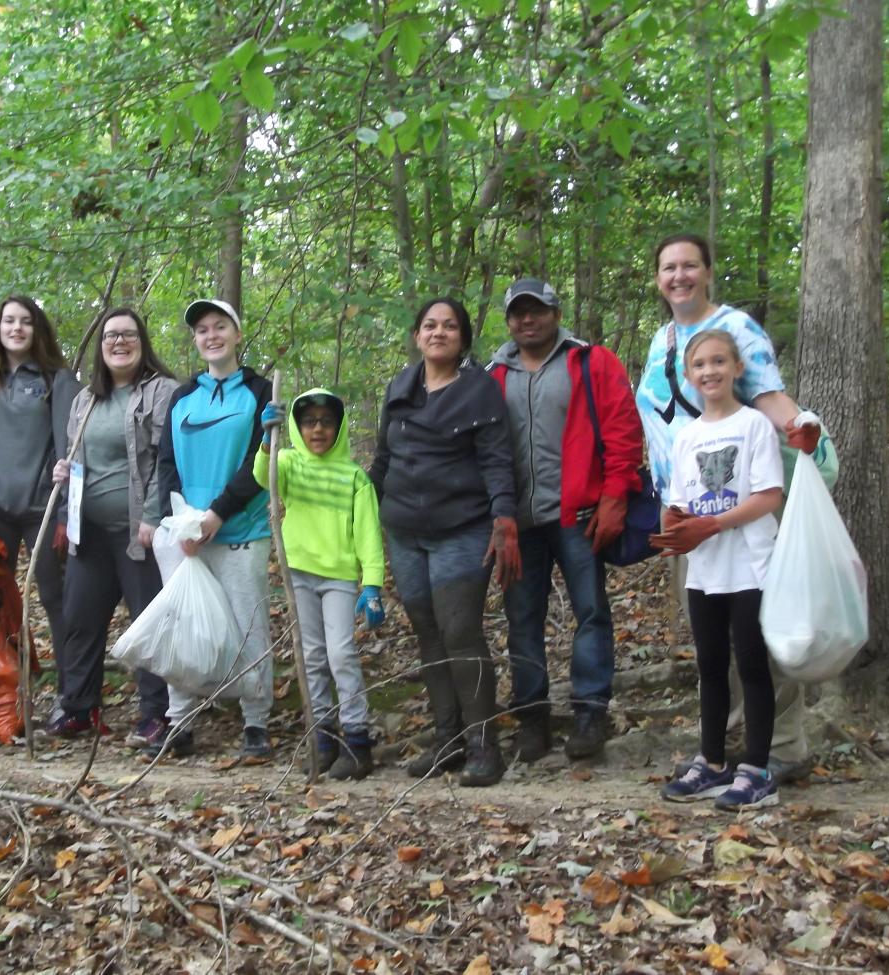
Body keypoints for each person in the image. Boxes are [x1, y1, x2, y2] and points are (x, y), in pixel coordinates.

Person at [634, 232, 825, 784]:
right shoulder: (662, 341)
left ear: (708, 271)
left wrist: (804, 432)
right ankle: (725, 750)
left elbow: (769, 400)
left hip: (741, 506)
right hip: (685, 511)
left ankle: (781, 748)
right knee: (714, 643)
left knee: (757, 634)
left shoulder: (736, 328)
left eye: (689, 265)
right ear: (657, 278)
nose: (679, 276)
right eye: (668, 267)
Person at [487, 278, 644, 763]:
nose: (527, 320)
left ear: (556, 313)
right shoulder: (492, 374)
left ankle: (590, 713)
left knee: (591, 612)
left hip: (579, 515)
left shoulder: (591, 361)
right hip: (518, 521)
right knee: (522, 619)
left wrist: (616, 494)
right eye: (518, 313)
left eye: (536, 311)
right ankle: (532, 719)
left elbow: (622, 429)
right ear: (509, 320)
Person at [369, 297, 521, 788]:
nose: (439, 333)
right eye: (430, 325)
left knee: (460, 631)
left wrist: (503, 518)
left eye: (450, 326)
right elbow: (383, 459)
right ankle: (448, 739)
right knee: (429, 634)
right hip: (404, 533)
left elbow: (497, 460)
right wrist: (361, 512)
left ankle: (483, 745)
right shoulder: (400, 387)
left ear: (463, 338)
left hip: (463, 528)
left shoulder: (480, 392)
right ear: (417, 335)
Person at [652, 329, 785, 810]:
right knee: (710, 665)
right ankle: (711, 763)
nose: (709, 372)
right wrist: (674, 529)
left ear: (736, 368)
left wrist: (712, 525)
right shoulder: (686, 436)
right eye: (700, 365)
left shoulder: (753, 426)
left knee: (751, 663)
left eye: (718, 362)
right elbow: (679, 502)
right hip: (705, 569)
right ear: (688, 376)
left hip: (750, 563)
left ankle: (757, 769)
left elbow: (769, 496)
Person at [144, 298, 275, 760]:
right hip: (187, 533)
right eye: (202, 330)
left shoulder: (260, 392)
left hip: (241, 528)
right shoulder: (183, 398)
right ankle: (180, 723)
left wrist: (216, 515)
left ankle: (256, 723)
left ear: (238, 335)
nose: (211, 335)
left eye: (221, 327)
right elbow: (166, 464)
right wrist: (180, 520)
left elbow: (259, 461)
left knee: (247, 623)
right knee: (185, 626)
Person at [48, 308, 178, 740]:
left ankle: (157, 714)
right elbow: (79, 457)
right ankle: (79, 708)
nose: (118, 343)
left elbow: (165, 459)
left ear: (142, 343)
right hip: (90, 533)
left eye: (128, 335)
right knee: (80, 619)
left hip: (137, 532)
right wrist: (65, 476)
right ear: (100, 348)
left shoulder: (162, 392)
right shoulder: (86, 400)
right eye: (110, 337)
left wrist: (152, 517)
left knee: (146, 621)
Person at [255, 388, 386, 780]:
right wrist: (266, 438)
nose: (317, 429)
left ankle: (357, 741)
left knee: (341, 654)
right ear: (297, 426)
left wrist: (373, 585)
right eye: (309, 421)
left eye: (326, 422)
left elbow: (368, 534)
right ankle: (322, 738)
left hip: (340, 577)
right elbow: (264, 477)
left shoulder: (354, 477)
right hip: (299, 573)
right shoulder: (289, 463)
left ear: (338, 427)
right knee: (310, 656)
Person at [0, 295, 78, 681]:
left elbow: (71, 449)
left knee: (57, 598)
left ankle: (72, 695)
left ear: (37, 329)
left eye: (25, 321)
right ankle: (2, 693)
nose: (16, 328)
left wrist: (64, 516)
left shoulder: (56, 381)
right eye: (9, 321)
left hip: (43, 510)